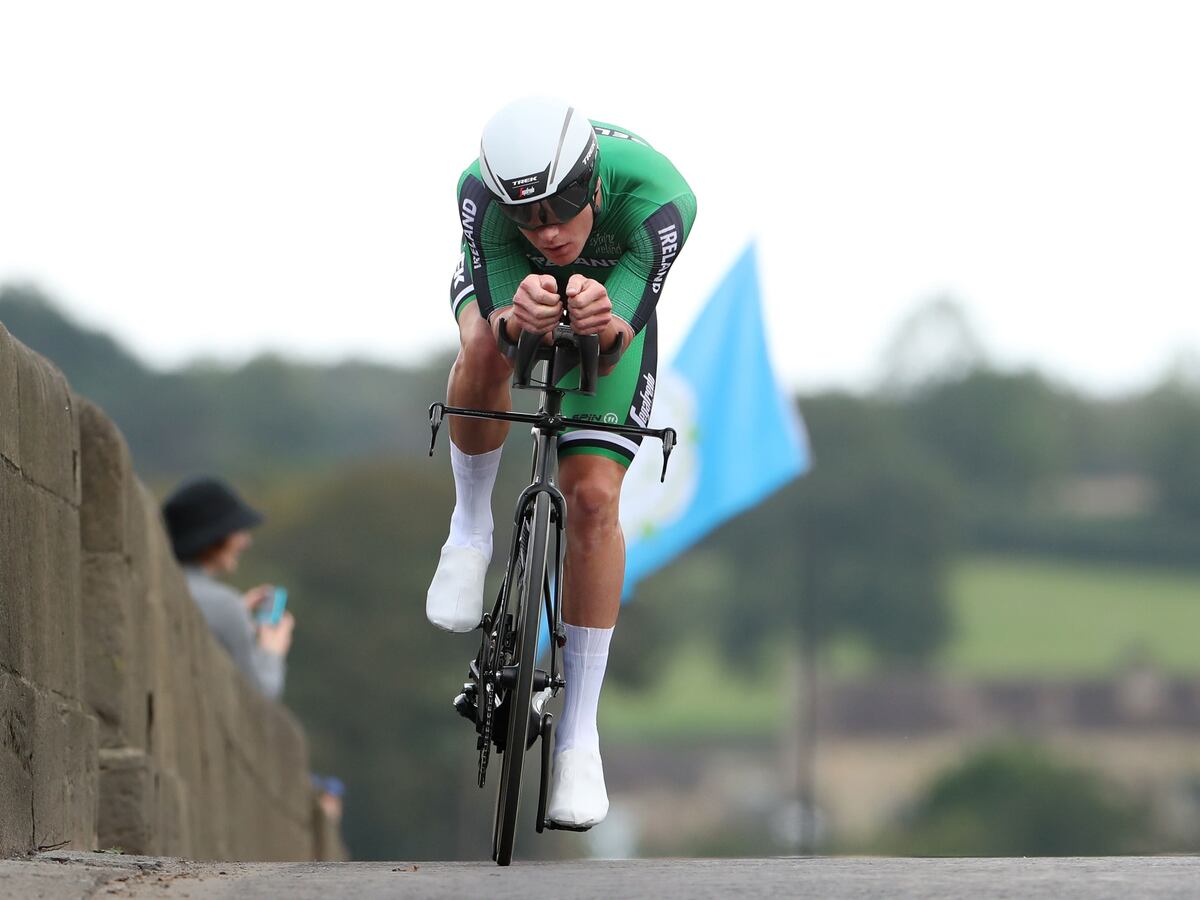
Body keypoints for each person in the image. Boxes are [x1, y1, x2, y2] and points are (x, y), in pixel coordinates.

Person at [426, 97, 696, 828]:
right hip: (510, 295)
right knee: (481, 345)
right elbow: (502, 330)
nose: (546, 231)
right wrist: (519, 316)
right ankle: (471, 528)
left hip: (617, 295)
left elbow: (617, 338)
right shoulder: (478, 198)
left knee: (592, 500)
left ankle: (579, 739)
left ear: (595, 186)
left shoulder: (661, 199)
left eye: (561, 210)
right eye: (529, 217)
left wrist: (602, 323)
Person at [162, 476, 295, 700]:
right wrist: (272, 651)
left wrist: (238, 610)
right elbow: (259, 695)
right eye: (237, 531)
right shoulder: (223, 604)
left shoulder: (168, 584)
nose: (246, 542)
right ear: (215, 538)